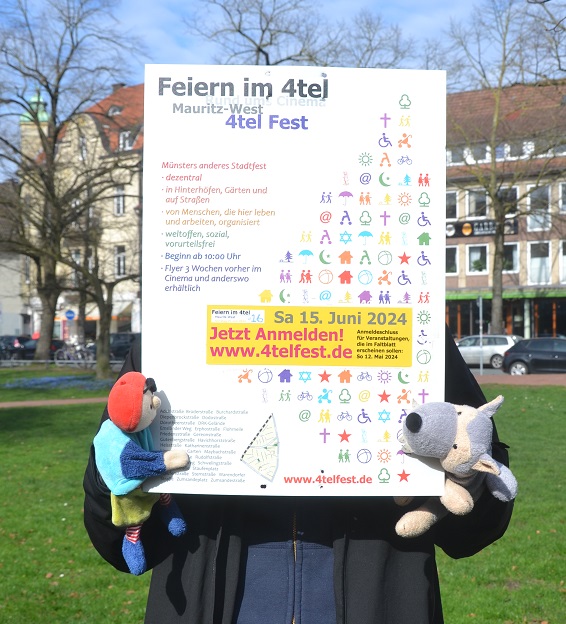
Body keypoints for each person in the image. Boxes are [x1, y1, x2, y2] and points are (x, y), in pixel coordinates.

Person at [83, 325, 514, 624]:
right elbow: (114, 538)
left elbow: (478, 525)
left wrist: (467, 480)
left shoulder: (415, 328)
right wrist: (116, 482)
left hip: (377, 601)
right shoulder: (170, 336)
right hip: (211, 602)